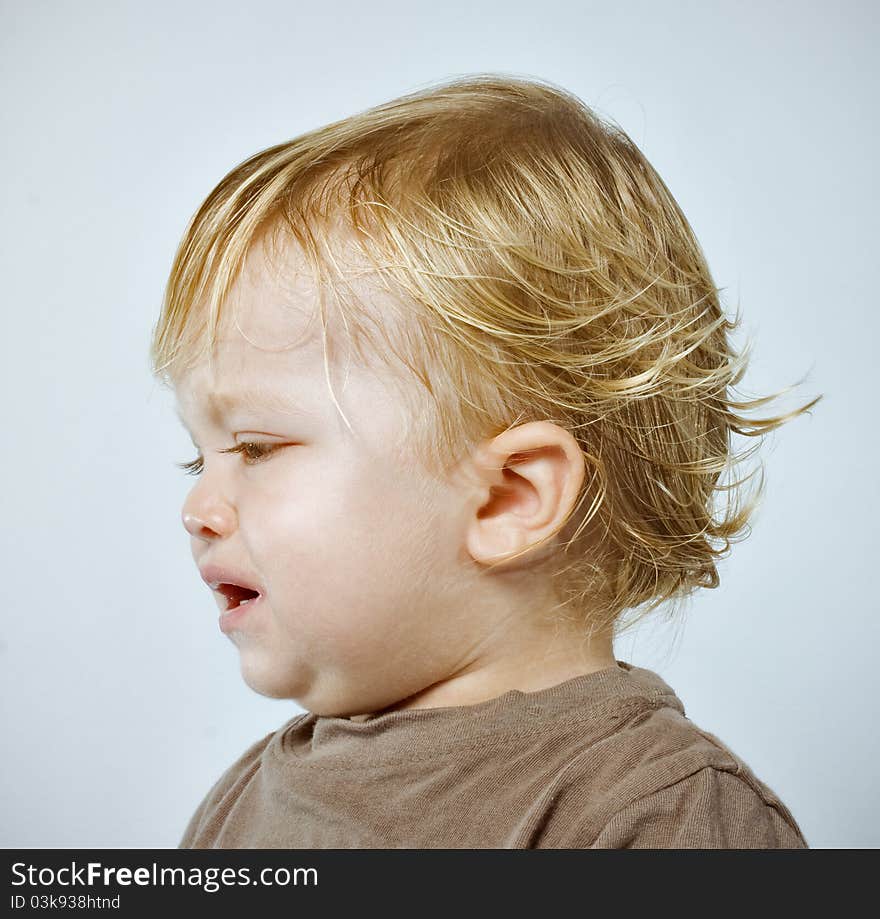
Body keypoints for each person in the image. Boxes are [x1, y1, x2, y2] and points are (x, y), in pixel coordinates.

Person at [152, 74, 817, 848]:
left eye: (257, 448)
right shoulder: (242, 804)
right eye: (195, 458)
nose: (199, 508)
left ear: (508, 497)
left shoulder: (660, 818)